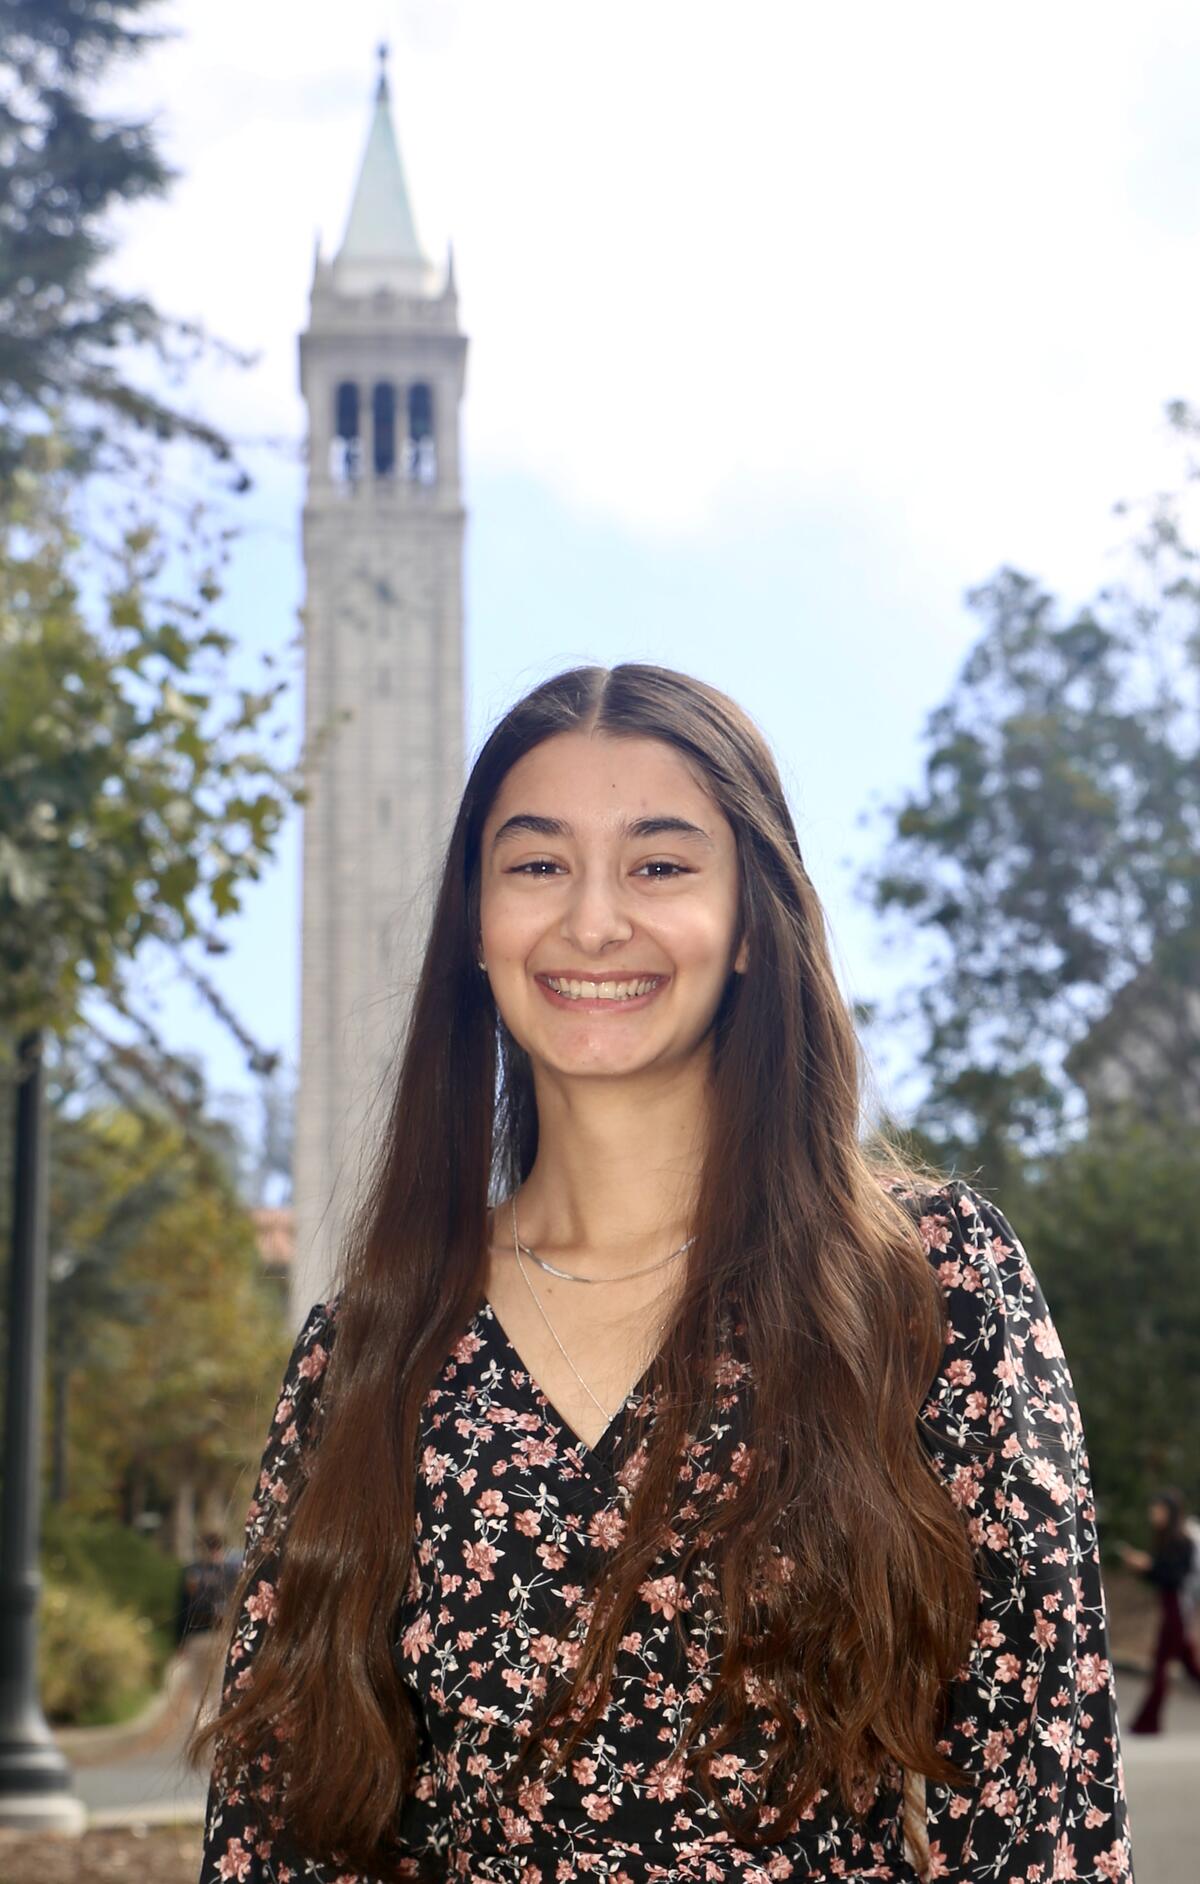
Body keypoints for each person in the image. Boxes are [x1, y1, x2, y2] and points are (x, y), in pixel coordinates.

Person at [191, 665, 1133, 1883]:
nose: (592, 920)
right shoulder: (373, 1347)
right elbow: (280, 1833)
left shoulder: (926, 1286)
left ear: (751, 923)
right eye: (537, 865)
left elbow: (1041, 1815)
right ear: (477, 922)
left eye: (660, 864)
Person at [1121, 1487, 1200, 1734]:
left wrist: (1149, 1565)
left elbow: (1175, 1578)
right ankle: (1147, 1722)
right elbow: (1160, 1577)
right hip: (1170, 1607)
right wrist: (1145, 1568)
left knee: (1162, 1666)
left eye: (1158, 1509)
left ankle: (1148, 1722)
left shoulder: (1182, 1540)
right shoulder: (1167, 1539)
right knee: (1187, 1666)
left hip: (1178, 1608)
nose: (1153, 1514)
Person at [175, 1531, 240, 1727]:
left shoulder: (192, 1572)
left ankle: (200, 1730)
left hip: (196, 1637)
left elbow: (181, 1608)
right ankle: (214, 1731)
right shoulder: (231, 1572)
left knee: (198, 1689)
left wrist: (179, 1642)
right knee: (217, 1688)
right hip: (223, 1637)